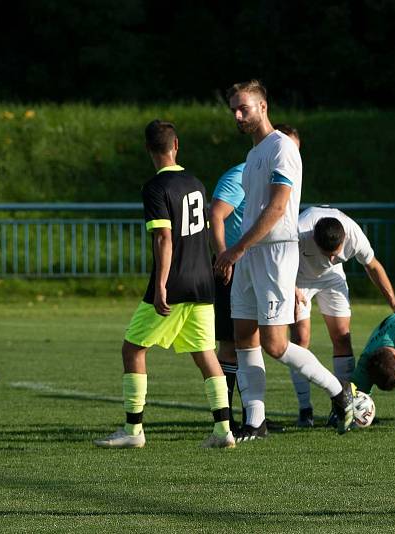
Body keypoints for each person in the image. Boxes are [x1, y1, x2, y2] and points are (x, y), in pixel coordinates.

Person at [214, 80, 353, 440]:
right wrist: (241, 251)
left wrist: (237, 248)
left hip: (274, 252)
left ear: (263, 106)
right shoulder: (252, 155)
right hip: (250, 254)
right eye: (233, 109)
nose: (238, 115)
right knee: (244, 336)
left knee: (274, 344)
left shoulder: (282, 148)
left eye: (244, 107)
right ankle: (255, 421)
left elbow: (278, 207)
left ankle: (340, 393)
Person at [94, 120, 234, 449]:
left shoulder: (156, 188)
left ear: (148, 150)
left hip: (176, 281)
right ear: (176, 146)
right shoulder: (196, 183)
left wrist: (160, 284)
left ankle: (133, 431)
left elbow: (164, 237)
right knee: (205, 354)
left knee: (133, 349)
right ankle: (223, 429)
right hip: (202, 282)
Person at [288, 206, 395, 427]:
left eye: (336, 253)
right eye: (327, 253)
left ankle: (344, 405)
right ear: (313, 238)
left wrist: (394, 303)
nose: (332, 258)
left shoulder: (354, 234)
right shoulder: (298, 232)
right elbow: (278, 261)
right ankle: (305, 409)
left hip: (332, 279)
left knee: (342, 337)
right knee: (301, 339)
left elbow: (373, 266)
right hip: (298, 278)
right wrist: (289, 288)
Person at [209, 124, 301, 433]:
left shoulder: (275, 173)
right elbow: (217, 214)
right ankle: (226, 417)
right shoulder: (242, 172)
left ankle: (253, 417)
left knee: (252, 341)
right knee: (230, 344)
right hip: (235, 264)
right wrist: (225, 256)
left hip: (255, 262)